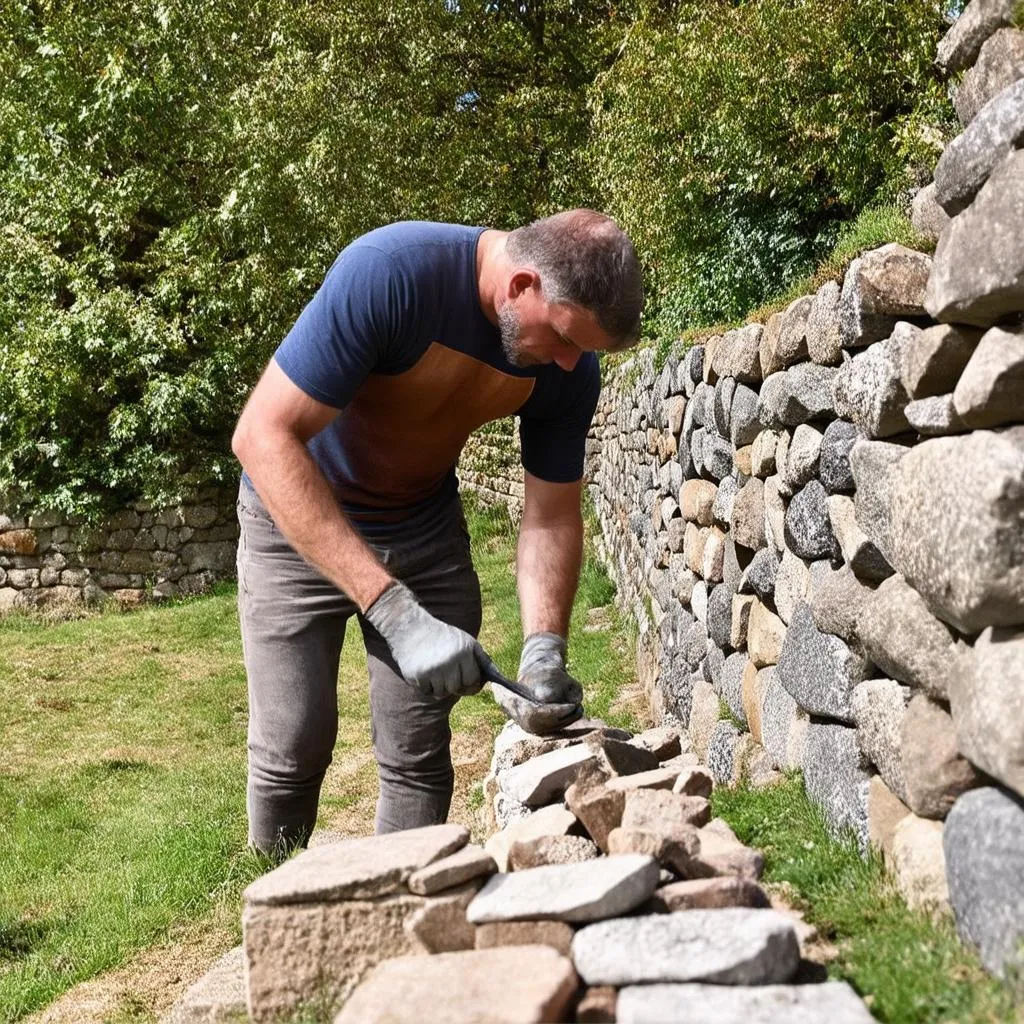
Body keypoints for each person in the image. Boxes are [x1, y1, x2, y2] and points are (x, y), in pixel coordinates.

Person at [231, 209, 644, 855]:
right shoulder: (391, 275)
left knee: (416, 753)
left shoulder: (568, 367)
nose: (569, 363)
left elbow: (551, 513)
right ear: (521, 286)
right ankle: (273, 912)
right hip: (295, 526)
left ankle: (410, 917)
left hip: (422, 530)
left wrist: (544, 649)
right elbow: (261, 435)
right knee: (292, 745)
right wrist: (393, 611)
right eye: (564, 338)